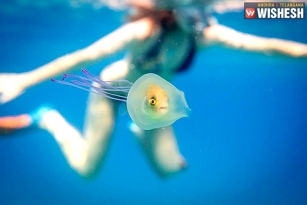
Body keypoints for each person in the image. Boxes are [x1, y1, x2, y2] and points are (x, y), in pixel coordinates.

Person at [0, 0, 306, 178]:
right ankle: (47, 118)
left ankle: (139, 128)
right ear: (175, 10)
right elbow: (84, 56)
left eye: (203, 11)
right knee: (86, 170)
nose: (200, 18)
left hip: (151, 100)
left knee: (170, 171)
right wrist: (24, 80)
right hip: (112, 91)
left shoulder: (206, 35)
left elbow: (268, 46)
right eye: (192, 11)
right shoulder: (144, 30)